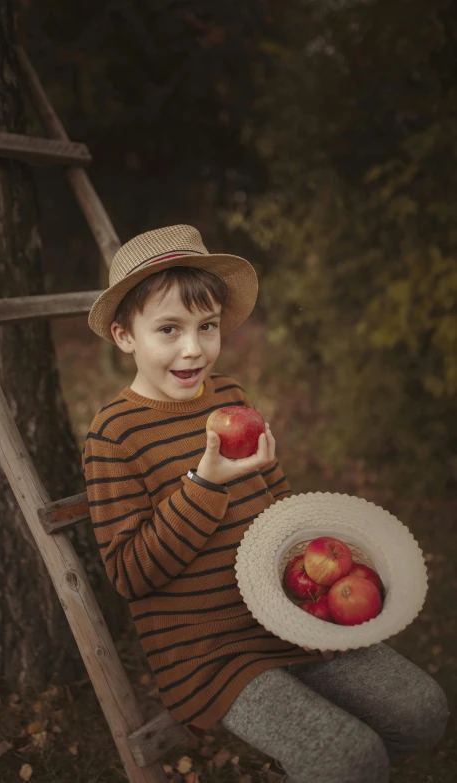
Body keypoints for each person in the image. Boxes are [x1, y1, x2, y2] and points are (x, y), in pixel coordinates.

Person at [83, 225, 449, 783]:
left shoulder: (230, 397)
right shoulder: (114, 435)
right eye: (168, 329)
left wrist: (315, 587)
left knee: (423, 714)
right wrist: (203, 486)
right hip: (211, 652)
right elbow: (131, 574)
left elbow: (277, 504)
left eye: (207, 327)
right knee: (348, 757)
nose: (194, 348)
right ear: (124, 336)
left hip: (289, 616)